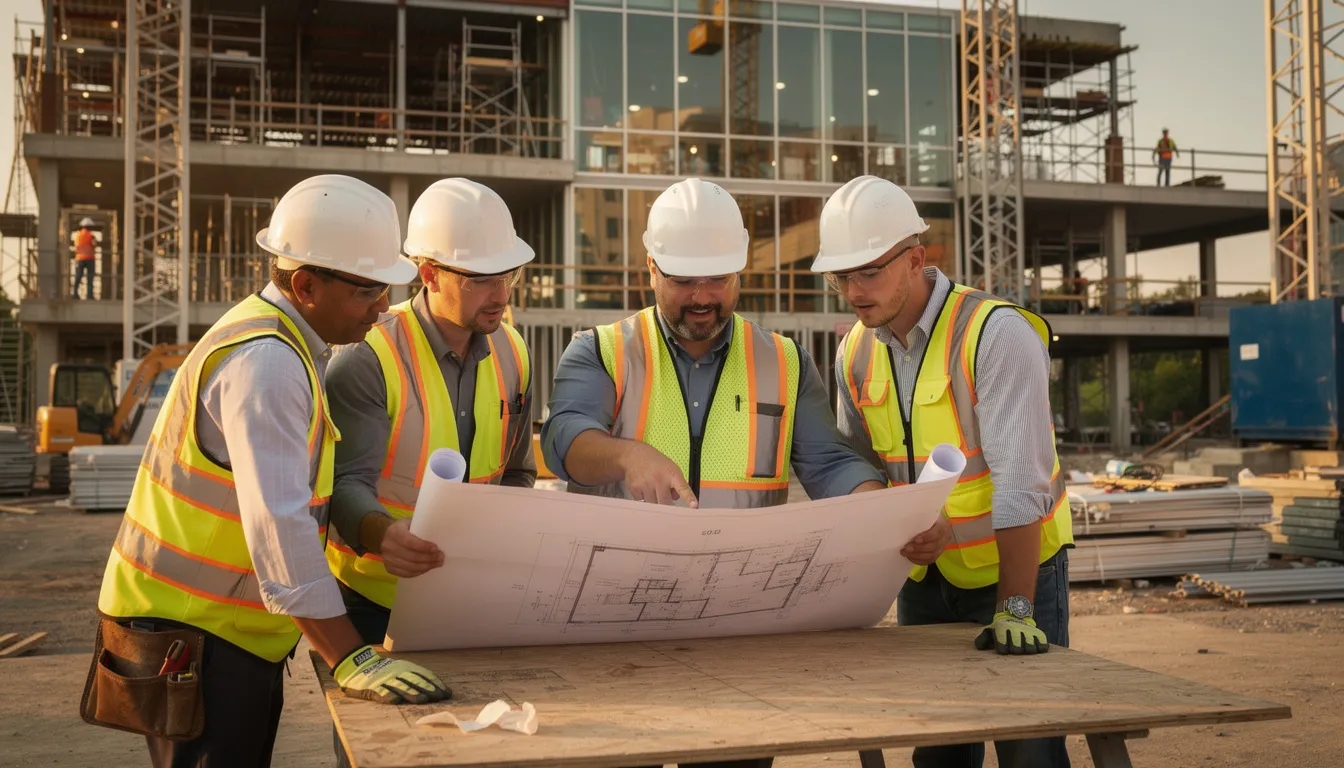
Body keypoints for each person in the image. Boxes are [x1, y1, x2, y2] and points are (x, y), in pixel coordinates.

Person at [542, 177, 952, 768]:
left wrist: (890, 511)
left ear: (740, 272)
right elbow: (564, 439)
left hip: (739, 628)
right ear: (651, 270)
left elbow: (830, 462)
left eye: (718, 279)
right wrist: (627, 455)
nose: (702, 297)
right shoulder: (601, 351)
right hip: (617, 627)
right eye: (684, 280)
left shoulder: (784, 361)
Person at [90, 174, 450, 768]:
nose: (383, 307)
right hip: (193, 635)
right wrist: (350, 654)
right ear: (305, 285)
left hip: (217, 632)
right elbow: (279, 525)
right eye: (368, 291)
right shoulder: (268, 364)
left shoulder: (286, 346)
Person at [813, 175, 1074, 768]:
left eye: (868, 272)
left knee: (1029, 751)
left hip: (1016, 575)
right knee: (938, 755)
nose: (852, 291)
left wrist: (1015, 607)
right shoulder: (855, 350)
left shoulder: (993, 333)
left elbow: (1021, 482)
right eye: (839, 277)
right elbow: (858, 469)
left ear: (915, 259)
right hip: (925, 582)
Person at [323, 178, 537, 764]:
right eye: (481, 279)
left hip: (470, 602)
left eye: (508, 275)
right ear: (429, 273)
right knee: (383, 756)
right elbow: (342, 486)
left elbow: (516, 471)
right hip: (373, 603)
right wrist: (381, 534)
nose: (500, 294)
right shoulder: (367, 357)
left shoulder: (514, 351)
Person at [73, 217, 97, 299]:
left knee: (78, 276)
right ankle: (89, 296)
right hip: (90, 258)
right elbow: (94, 244)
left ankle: (75, 294)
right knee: (90, 278)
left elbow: (76, 246)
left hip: (79, 258)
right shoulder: (91, 236)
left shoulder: (78, 236)